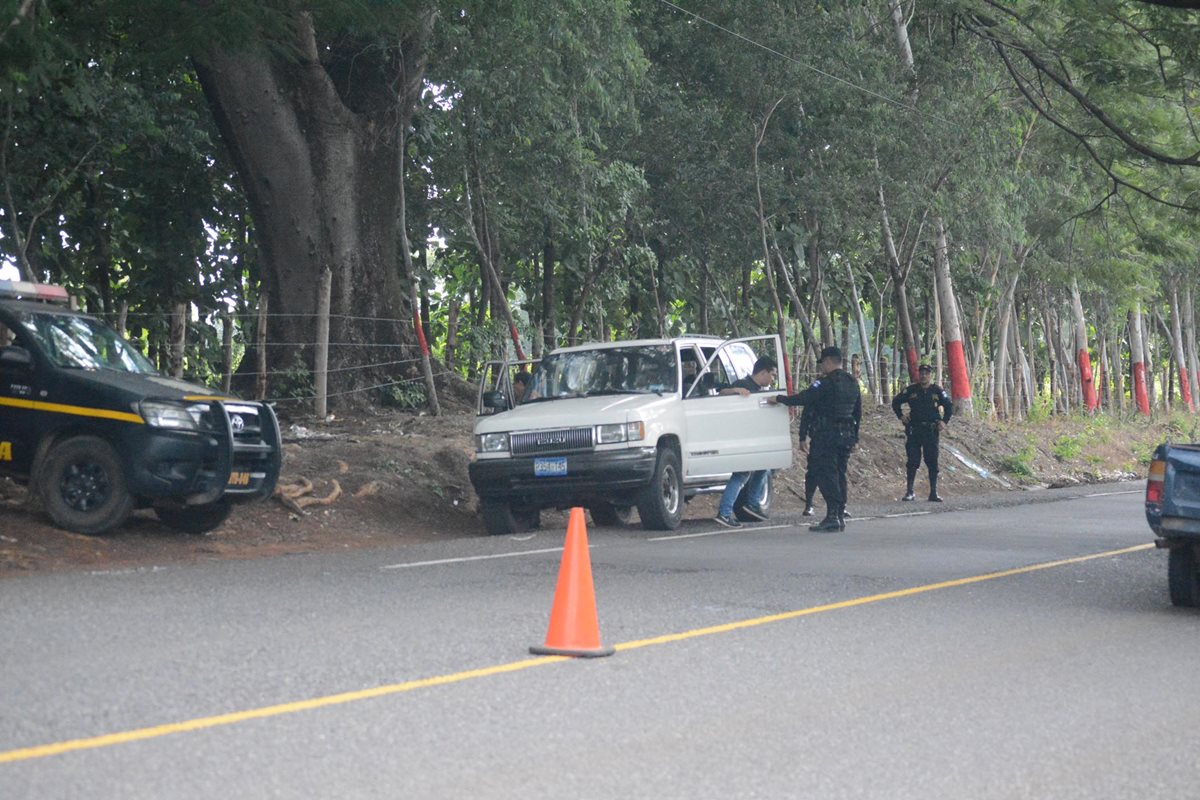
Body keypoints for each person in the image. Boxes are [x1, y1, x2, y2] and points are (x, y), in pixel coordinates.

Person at [768, 346, 861, 532]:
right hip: (846, 435)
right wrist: (855, 438)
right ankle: (840, 514)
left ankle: (832, 515)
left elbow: (804, 398)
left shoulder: (825, 383)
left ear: (828, 361)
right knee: (840, 473)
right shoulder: (852, 382)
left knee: (826, 474)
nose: (821, 368)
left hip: (827, 436)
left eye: (823, 364)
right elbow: (858, 413)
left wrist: (778, 398)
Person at [712, 356, 778, 528]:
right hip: (742, 438)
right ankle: (725, 513)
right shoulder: (744, 384)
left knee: (764, 465)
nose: (773, 379)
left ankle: (752, 504)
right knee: (741, 475)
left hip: (754, 438)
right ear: (762, 372)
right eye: (772, 374)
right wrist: (736, 391)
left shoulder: (761, 389)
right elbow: (721, 392)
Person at [892, 362, 952, 502]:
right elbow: (896, 402)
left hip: (931, 430)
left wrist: (944, 421)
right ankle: (910, 491)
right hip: (914, 430)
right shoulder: (912, 390)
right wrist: (901, 416)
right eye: (921, 373)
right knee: (912, 461)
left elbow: (949, 407)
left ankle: (933, 492)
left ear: (930, 375)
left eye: (926, 373)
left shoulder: (937, 391)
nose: (924, 376)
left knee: (932, 461)